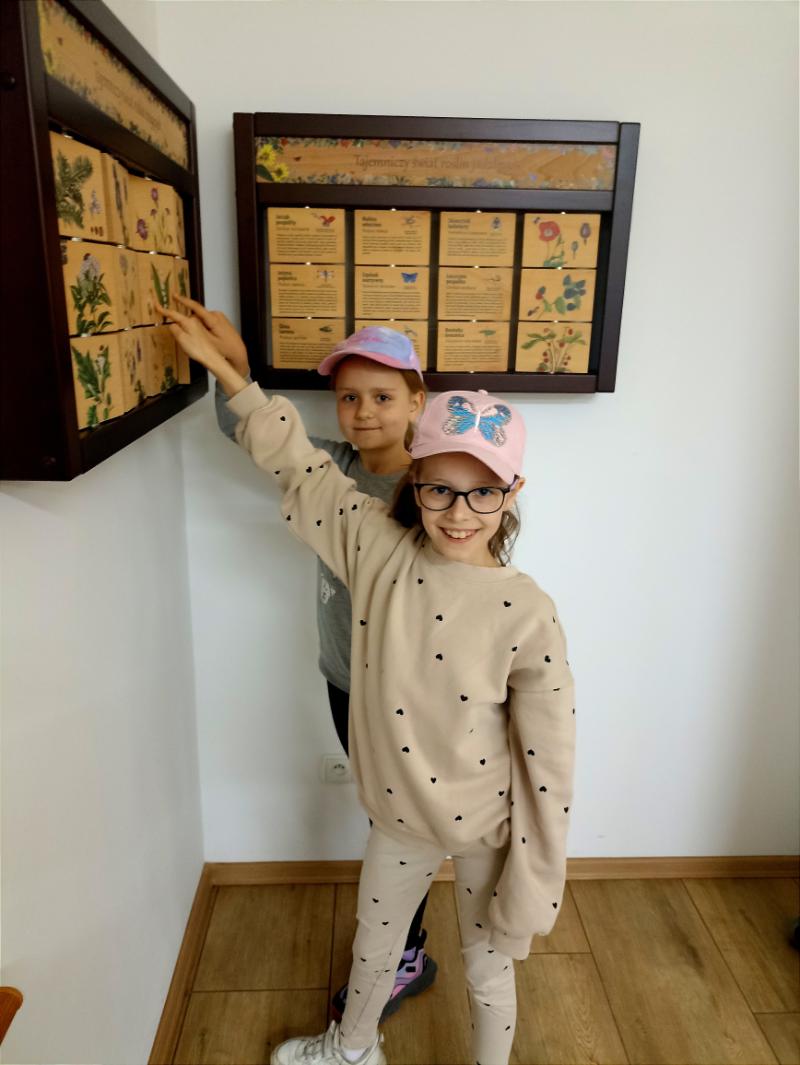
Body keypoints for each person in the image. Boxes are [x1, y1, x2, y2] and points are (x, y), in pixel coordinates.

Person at [167, 305, 577, 1065]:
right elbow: (299, 464)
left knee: (489, 970)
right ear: (413, 480)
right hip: (398, 819)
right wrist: (231, 373)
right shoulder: (375, 544)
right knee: (374, 946)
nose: (459, 513)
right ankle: (352, 1048)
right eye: (439, 489)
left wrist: (536, 877)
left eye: (482, 492)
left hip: (486, 826)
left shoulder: (528, 612)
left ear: (512, 490)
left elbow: (549, 764)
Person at [176, 296, 436, 1020]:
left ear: (417, 402)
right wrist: (236, 366)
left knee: (403, 827)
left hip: (409, 692)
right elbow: (251, 428)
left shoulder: (433, 489)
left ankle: (405, 954)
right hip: (343, 678)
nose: (363, 411)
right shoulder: (334, 467)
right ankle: (401, 943)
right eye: (349, 397)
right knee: (384, 816)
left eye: (382, 396)